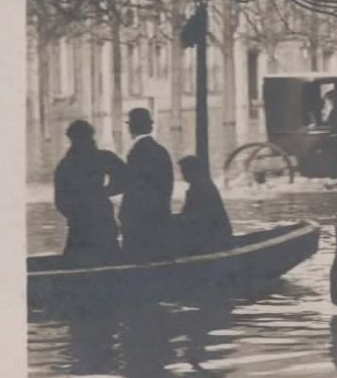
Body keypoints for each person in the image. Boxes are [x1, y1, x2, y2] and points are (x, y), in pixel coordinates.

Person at [53, 119, 126, 266]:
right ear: (91, 136)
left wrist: (76, 213)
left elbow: (60, 201)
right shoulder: (102, 157)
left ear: (71, 139)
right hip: (102, 218)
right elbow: (126, 177)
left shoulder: (65, 165)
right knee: (111, 261)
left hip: (79, 225)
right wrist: (105, 192)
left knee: (76, 263)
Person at [120, 107, 175, 261]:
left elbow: (133, 190)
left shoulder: (135, 153)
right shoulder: (161, 151)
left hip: (138, 225)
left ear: (130, 128)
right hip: (160, 221)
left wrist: (124, 216)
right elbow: (166, 189)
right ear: (150, 127)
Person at [174, 154, 233, 255]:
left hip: (214, 240)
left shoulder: (199, 189)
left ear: (193, 171)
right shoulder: (203, 185)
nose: (183, 175)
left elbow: (193, 219)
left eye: (184, 171)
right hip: (216, 235)